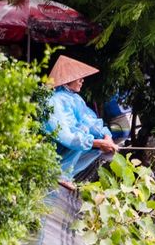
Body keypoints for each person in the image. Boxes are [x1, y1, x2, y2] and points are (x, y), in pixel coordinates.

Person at [44, 55, 118, 190]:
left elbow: (90, 121)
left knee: (95, 136)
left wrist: (107, 137)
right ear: (68, 80)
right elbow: (65, 135)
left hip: (70, 144)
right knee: (83, 133)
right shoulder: (55, 100)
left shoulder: (75, 98)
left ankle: (67, 174)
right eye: (79, 78)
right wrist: (96, 142)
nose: (82, 81)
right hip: (54, 150)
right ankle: (59, 173)